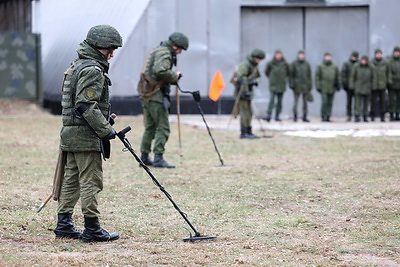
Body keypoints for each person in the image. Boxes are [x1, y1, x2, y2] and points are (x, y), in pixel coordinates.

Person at [55, 25, 122, 242]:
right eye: (109, 49)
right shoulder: (92, 69)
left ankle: (64, 225)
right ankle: (92, 229)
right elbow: (85, 105)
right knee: (90, 181)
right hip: (85, 135)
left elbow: (78, 104)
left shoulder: (77, 65)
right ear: (97, 47)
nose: (111, 54)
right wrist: (106, 130)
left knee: (71, 179)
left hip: (71, 133)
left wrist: (104, 120)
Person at [137, 32, 189, 168]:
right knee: (163, 127)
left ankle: (144, 157)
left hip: (146, 93)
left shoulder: (157, 50)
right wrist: (174, 76)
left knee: (150, 127)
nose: (180, 53)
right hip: (155, 95)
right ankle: (158, 158)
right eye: (180, 49)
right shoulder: (165, 53)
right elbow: (160, 71)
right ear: (174, 46)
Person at [233, 49, 265, 139]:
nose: (259, 61)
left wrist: (255, 82)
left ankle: (248, 130)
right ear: (254, 57)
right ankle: (243, 132)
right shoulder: (245, 64)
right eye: (258, 59)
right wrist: (246, 91)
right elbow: (241, 78)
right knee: (244, 113)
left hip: (248, 92)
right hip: (242, 91)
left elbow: (258, 77)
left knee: (249, 112)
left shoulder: (254, 66)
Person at [263, 50, 289, 122]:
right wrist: (272, 78)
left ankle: (277, 115)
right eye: (277, 54)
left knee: (279, 102)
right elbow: (266, 72)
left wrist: (283, 78)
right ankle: (269, 114)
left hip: (281, 85)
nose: (278, 56)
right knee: (272, 100)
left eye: (280, 54)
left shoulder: (285, 64)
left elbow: (288, 72)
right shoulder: (271, 63)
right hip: (273, 85)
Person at [350, 55, 377, 122]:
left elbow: (374, 77)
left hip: (367, 87)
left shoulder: (371, 67)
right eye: (362, 60)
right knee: (357, 103)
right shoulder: (356, 66)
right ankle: (357, 116)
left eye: (365, 60)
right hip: (358, 87)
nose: (363, 61)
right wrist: (352, 86)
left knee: (366, 103)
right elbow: (352, 77)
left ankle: (365, 116)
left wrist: (374, 86)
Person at [315, 52, 340, 122]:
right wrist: (318, 86)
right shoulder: (320, 66)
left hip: (332, 87)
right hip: (324, 87)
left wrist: (338, 85)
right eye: (327, 57)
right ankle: (323, 116)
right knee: (324, 102)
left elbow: (338, 76)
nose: (328, 58)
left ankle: (328, 116)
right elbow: (317, 77)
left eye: (329, 57)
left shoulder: (334, 66)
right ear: (324, 57)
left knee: (330, 102)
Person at [289, 50, 312, 122]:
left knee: (305, 103)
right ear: (298, 55)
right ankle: (295, 116)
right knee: (296, 102)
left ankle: (305, 116)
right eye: (300, 55)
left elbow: (309, 76)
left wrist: (310, 85)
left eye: (303, 55)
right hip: (297, 86)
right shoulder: (294, 64)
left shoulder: (307, 64)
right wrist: (292, 84)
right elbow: (291, 75)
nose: (301, 56)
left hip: (305, 86)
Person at [371, 48, 391, 122]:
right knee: (373, 101)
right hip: (374, 85)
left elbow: (388, 73)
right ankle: (372, 115)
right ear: (375, 55)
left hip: (382, 85)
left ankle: (382, 116)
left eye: (380, 54)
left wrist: (389, 82)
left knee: (383, 101)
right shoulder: (371, 63)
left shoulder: (385, 63)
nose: (378, 55)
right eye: (377, 54)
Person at [341, 51, 359, 121]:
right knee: (349, 102)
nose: (354, 58)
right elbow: (343, 74)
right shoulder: (347, 64)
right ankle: (349, 115)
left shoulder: (358, 64)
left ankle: (357, 115)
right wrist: (344, 83)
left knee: (357, 102)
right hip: (348, 86)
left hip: (357, 86)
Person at [387, 46, 400, 121]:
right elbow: (388, 72)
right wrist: (389, 82)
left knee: (399, 100)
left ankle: (397, 114)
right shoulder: (389, 61)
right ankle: (391, 114)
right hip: (392, 83)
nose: (397, 53)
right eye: (396, 52)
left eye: (398, 52)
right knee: (391, 100)